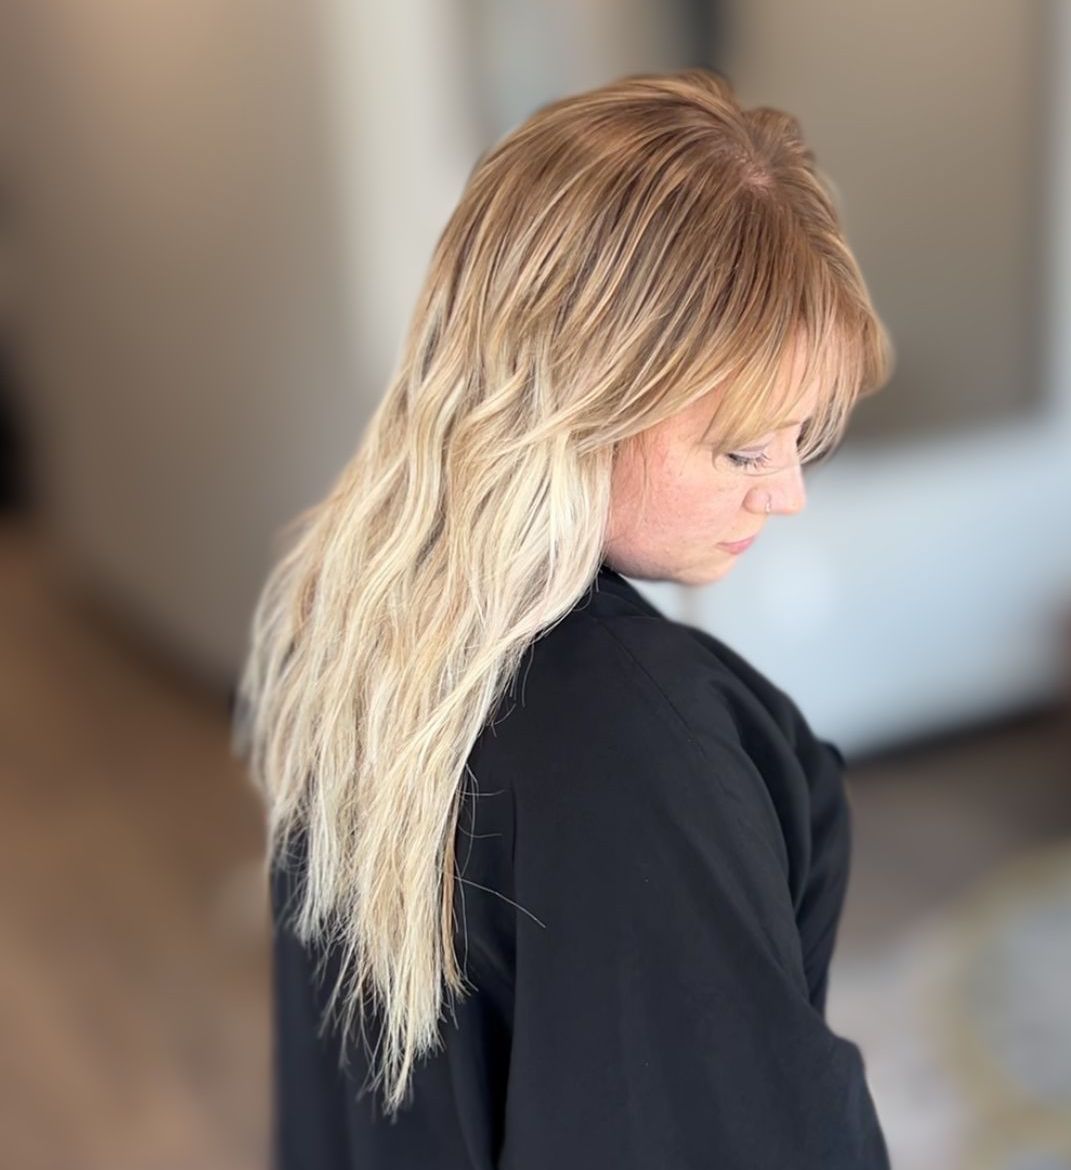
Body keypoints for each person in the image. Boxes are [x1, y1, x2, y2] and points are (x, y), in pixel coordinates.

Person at [233, 67, 895, 1169]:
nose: (786, 494)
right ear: (572, 408)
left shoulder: (344, 607)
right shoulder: (636, 752)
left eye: (802, 439)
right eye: (743, 449)